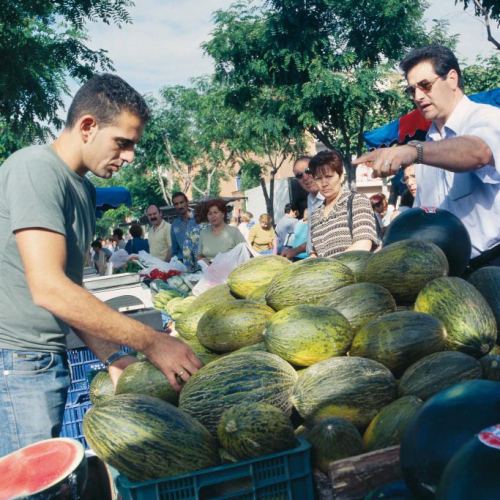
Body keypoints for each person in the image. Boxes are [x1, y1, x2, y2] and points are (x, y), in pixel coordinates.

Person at [0, 73, 201, 457]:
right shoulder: (35, 168)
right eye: (123, 143)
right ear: (88, 126)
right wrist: (151, 341)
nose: (129, 157)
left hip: (41, 357)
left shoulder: (83, 188)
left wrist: (112, 356)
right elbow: (48, 288)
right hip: (15, 360)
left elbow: (70, 292)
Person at [353, 44, 500, 268]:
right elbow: (423, 217)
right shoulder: (426, 146)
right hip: (451, 275)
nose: (418, 96)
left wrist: (413, 151)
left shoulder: (486, 118)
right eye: (412, 90)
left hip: (493, 265)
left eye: (425, 85)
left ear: (452, 79)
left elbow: (479, 152)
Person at [308, 150, 378, 258]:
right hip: (326, 274)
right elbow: (314, 254)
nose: (324, 183)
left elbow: (363, 244)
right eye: (318, 178)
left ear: (341, 176)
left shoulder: (357, 201)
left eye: (329, 176)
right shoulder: (315, 215)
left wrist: (329, 266)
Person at [281, 157, 325, 260]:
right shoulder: (311, 200)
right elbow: (314, 240)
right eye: (299, 175)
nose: (305, 177)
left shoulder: (331, 198)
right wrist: (294, 251)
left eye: (308, 171)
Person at [196, 198, 246, 265]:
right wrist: (203, 260)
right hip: (209, 272)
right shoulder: (203, 233)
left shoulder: (234, 232)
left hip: (231, 271)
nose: (213, 216)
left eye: (215, 212)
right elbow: (199, 255)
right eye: (210, 213)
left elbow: (245, 253)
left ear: (223, 214)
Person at [170, 192, 198, 262]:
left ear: (187, 202)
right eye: (176, 204)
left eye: (181, 202)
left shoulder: (199, 218)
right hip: (184, 262)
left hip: (201, 261)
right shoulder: (174, 225)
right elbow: (174, 249)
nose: (179, 206)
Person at [183, 202, 209, 272]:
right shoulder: (216, 229)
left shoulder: (190, 232)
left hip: (199, 273)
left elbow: (187, 257)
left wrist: (190, 272)